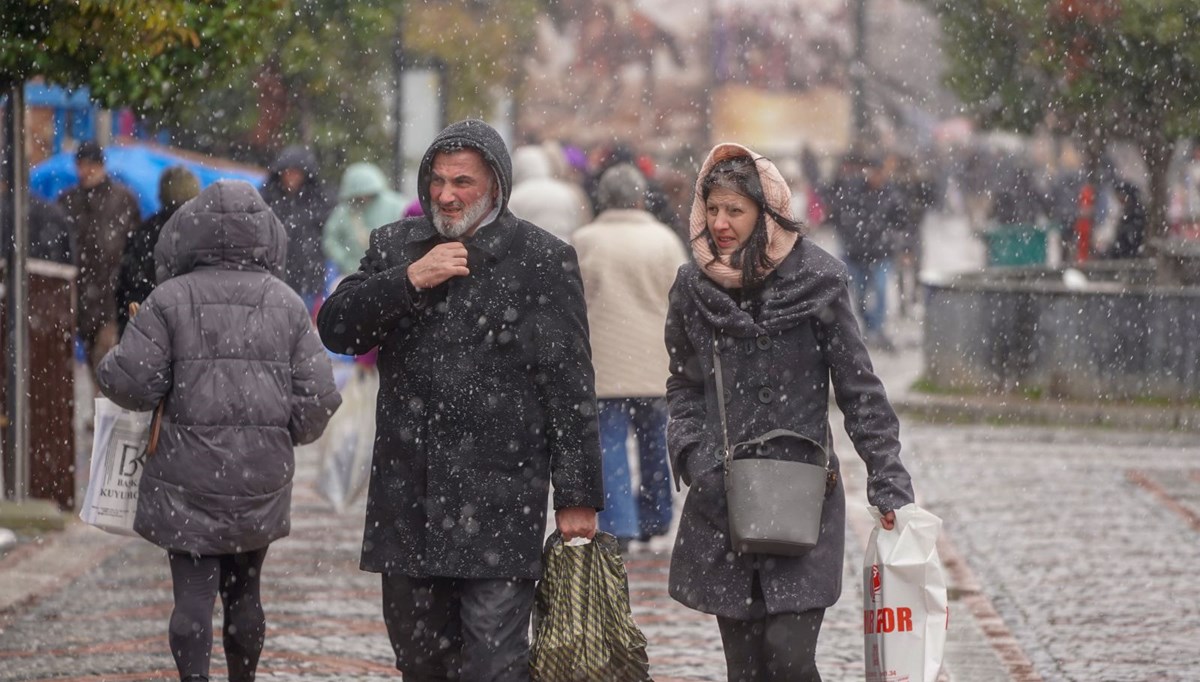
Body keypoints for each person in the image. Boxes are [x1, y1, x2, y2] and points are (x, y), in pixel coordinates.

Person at [316, 119, 604, 680]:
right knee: (421, 662)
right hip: (410, 498)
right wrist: (408, 280)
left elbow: (570, 387)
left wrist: (577, 496)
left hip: (502, 497)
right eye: (438, 181)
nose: (446, 195)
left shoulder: (543, 260)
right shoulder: (396, 246)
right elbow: (338, 330)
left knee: (495, 662)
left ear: (495, 185)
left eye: (463, 182)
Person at [665, 144, 915, 681]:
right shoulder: (693, 287)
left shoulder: (817, 279)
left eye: (735, 210)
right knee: (746, 669)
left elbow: (859, 389)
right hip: (723, 501)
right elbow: (683, 386)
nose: (721, 223)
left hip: (801, 497)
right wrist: (692, 457)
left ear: (766, 210)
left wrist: (887, 479)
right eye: (712, 209)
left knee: (791, 662)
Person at [96, 180, 340, 682]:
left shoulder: (168, 301)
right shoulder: (287, 304)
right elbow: (318, 397)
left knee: (192, 597)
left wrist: (112, 360)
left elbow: (130, 383)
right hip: (260, 475)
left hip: (185, 474)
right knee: (245, 594)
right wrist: (282, 433)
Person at [572, 163, 687, 551]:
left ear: (603, 198)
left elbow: (573, 303)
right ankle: (656, 516)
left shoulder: (585, 240)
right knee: (657, 443)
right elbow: (680, 299)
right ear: (641, 197)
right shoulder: (665, 239)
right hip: (656, 362)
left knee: (610, 445)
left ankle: (619, 524)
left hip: (604, 363)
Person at [57, 141, 141, 377]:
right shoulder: (68, 201)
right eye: (80, 165)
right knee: (95, 370)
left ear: (100, 166)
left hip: (109, 299)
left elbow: (131, 250)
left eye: (89, 165)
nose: (84, 171)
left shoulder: (122, 199)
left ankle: (102, 413)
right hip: (82, 300)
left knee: (106, 369)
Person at [115, 166, 200, 335]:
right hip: (194, 336)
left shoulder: (145, 232)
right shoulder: (205, 232)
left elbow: (128, 286)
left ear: (161, 194)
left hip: (149, 332)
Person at [260, 146, 334, 307]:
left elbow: (328, 236)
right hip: (274, 276)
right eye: (287, 172)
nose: (291, 177)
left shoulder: (319, 201)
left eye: (296, 172)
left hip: (308, 276)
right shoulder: (267, 199)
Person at [322, 162, 407, 277]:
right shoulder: (345, 211)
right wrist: (345, 260)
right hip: (353, 272)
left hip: (389, 273)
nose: (363, 198)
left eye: (368, 194)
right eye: (358, 196)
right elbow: (330, 239)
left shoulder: (395, 205)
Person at [1106, 181, 1148, 259]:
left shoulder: (1135, 213)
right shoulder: (1128, 211)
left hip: (1130, 256)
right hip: (1124, 254)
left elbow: (1131, 239)